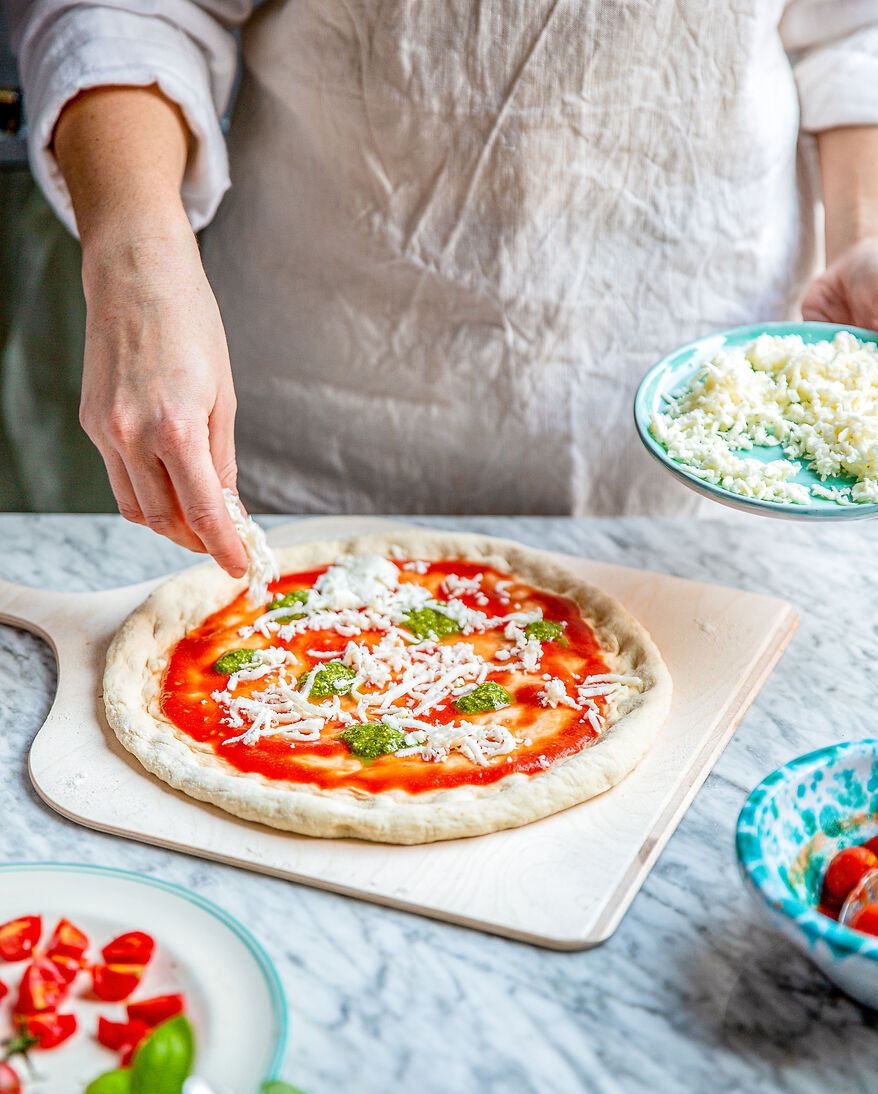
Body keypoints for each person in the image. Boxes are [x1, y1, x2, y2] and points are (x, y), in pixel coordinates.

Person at [6, 0, 878, 578]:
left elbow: (853, 28)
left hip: (717, 456)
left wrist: (864, 241)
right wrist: (140, 264)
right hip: (312, 428)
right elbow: (127, 11)